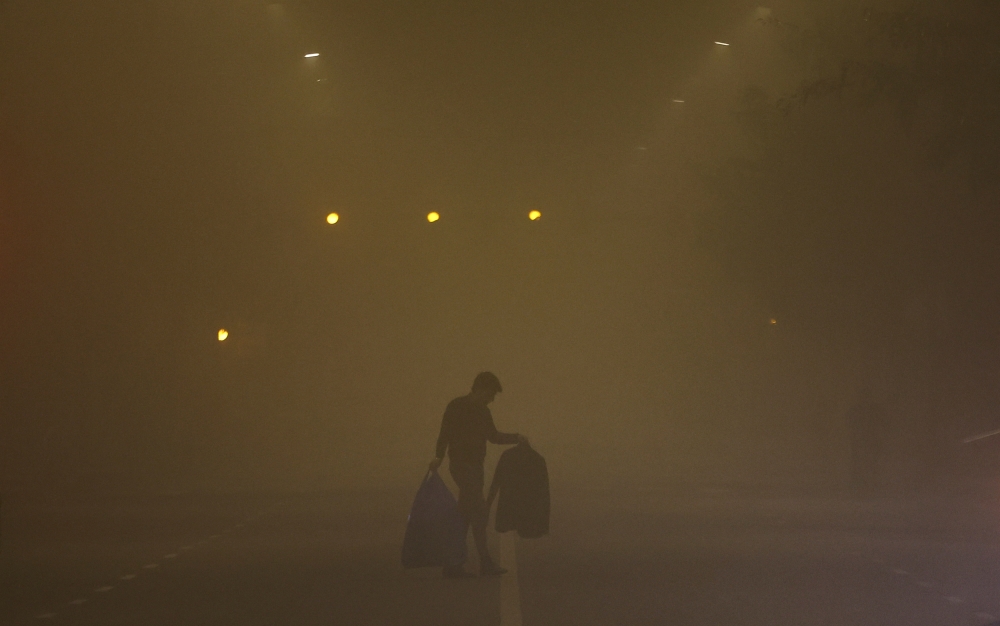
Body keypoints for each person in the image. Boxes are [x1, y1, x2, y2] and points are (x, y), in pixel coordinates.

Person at [429, 372, 527, 578]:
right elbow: (444, 433)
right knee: (479, 512)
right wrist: (438, 457)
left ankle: (452, 565)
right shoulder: (455, 406)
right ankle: (485, 563)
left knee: (465, 515)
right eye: (490, 394)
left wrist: (516, 438)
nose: (491, 399)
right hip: (461, 467)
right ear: (480, 389)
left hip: (475, 468)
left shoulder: (483, 411)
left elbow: (493, 437)